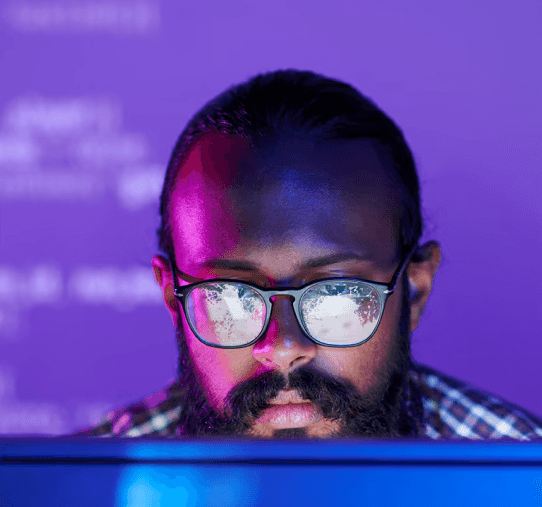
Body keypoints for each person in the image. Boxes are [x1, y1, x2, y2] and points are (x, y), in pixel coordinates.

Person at [79, 69, 542, 440]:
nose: (282, 349)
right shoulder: (78, 503)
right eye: (229, 298)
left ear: (415, 291)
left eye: (338, 295)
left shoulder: (527, 490)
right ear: (172, 298)